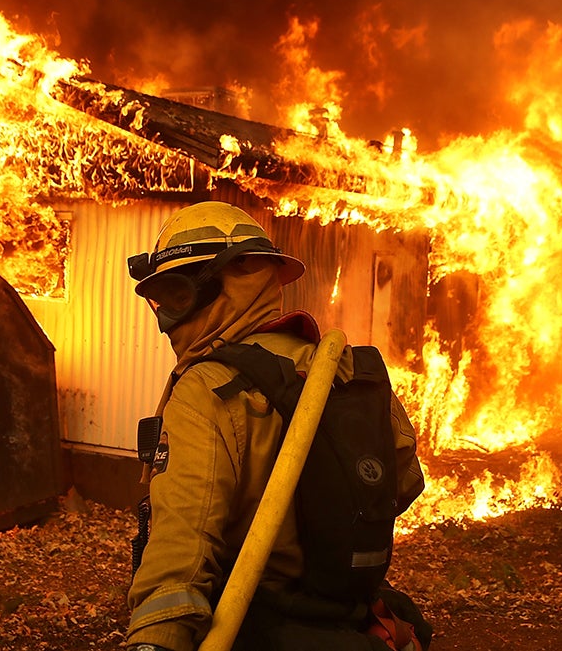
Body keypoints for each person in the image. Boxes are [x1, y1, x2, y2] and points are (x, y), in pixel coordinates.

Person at [123, 200, 429, 651]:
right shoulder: (346, 369)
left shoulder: (206, 388)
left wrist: (155, 639)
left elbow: (181, 543)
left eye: (175, 294)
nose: (167, 318)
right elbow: (402, 484)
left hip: (251, 626)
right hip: (343, 617)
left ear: (233, 281)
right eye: (160, 300)